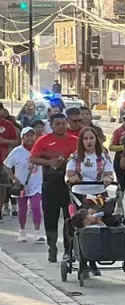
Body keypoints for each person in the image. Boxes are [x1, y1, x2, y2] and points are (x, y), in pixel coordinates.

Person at [29, 111, 79, 262]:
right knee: (51, 218)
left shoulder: (75, 140)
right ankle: (52, 247)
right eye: (57, 124)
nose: (61, 126)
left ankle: (68, 250)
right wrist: (49, 162)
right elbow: (33, 158)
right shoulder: (44, 140)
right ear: (51, 126)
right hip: (50, 182)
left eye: (63, 123)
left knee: (69, 217)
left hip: (69, 184)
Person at [5, 127, 43, 242]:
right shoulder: (17, 151)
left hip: (36, 184)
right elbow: (6, 166)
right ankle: (22, 231)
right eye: (27, 136)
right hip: (21, 186)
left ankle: (37, 232)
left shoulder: (39, 150)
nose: (30, 138)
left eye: (32, 135)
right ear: (22, 137)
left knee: (36, 207)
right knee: (22, 209)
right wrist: (13, 179)